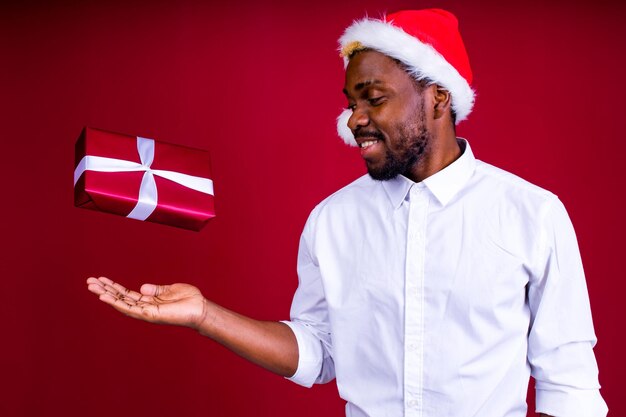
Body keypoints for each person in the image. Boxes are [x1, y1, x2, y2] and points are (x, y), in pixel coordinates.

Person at [86, 8, 608, 417]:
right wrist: (204, 315)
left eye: (373, 99)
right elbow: (318, 352)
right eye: (350, 102)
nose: (354, 119)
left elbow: (570, 382)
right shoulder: (331, 221)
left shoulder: (532, 214)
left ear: (438, 99)